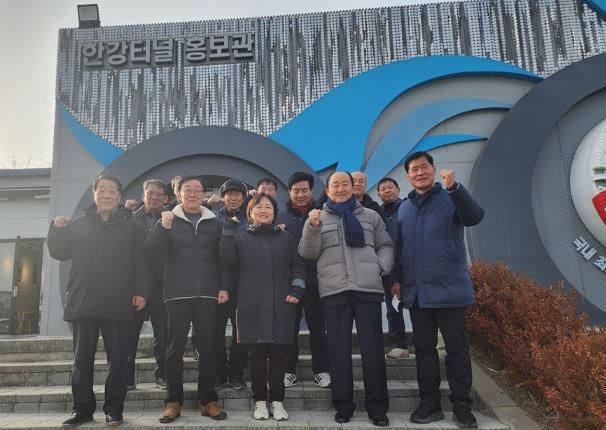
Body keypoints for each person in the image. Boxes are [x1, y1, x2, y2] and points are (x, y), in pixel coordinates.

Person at [47, 174, 150, 428]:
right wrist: (56, 230)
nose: (106, 194)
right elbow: (60, 252)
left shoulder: (132, 225)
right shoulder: (78, 224)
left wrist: (141, 291)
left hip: (119, 299)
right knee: (82, 359)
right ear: (94, 194)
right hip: (84, 299)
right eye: (101, 190)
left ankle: (114, 409)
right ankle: (82, 409)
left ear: (119, 196)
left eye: (111, 190)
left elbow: (141, 261)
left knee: (118, 359)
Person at [391, 151, 484, 428]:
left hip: (449, 291)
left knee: (456, 350)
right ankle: (429, 403)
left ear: (433, 170)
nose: (419, 172)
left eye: (424, 167)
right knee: (424, 350)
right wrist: (397, 280)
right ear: (408, 176)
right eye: (414, 169)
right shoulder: (404, 208)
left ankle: (462, 406)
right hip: (417, 294)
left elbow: (474, 217)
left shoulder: (451, 197)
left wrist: (454, 187)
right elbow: (399, 248)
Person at [299, 171, 393, 427]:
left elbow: (386, 245)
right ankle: (343, 405)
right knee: (338, 350)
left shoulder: (371, 216)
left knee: (373, 351)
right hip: (334, 290)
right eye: (335, 185)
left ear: (353, 188)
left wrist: (380, 267)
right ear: (327, 190)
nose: (340, 189)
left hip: (367, 289)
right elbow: (307, 253)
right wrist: (312, 227)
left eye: (345, 184)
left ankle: (377, 407)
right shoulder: (318, 217)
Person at [145, 176, 230, 424]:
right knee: (174, 350)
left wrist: (224, 287)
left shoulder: (215, 222)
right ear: (178, 194)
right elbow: (152, 251)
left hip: (208, 294)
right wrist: (163, 227)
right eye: (187, 190)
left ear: (204, 194)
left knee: (208, 349)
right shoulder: (168, 219)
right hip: (176, 294)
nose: (192, 194)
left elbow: (223, 259)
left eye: (197, 190)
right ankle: (173, 401)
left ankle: (208, 400)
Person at [221, 193, 305, 421]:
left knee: (279, 355)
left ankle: (277, 402)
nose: (264, 210)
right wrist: (228, 231)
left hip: (282, 303)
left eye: (268, 207)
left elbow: (297, 264)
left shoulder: (286, 237)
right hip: (252, 303)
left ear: (275, 212)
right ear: (250, 213)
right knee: (256, 357)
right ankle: (259, 401)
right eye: (258, 207)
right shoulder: (241, 238)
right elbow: (226, 260)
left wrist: (297, 289)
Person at [275, 171, 330, 389]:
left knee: (318, 327)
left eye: (304, 190)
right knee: (289, 329)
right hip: (290, 283)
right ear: (289, 191)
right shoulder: (280, 216)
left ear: (311, 190)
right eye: (296, 190)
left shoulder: (323, 213)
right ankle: (288, 370)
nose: (300, 195)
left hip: (316, 280)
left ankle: (321, 370)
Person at [126, 179, 169, 390]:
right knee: (130, 332)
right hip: (136, 286)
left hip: (163, 284)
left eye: (158, 194)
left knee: (164, 333)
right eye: (149, 193)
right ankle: (127, 377)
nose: (153, 198)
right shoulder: (131, 220)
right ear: (143, 196)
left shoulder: (171, 219)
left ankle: (162, 375)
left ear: (166, 198)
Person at [212, 179, 249, 390]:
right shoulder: (213, 219)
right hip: (217, 284)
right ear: (223, 197)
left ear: (243, 198)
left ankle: (237, 373)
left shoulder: (250, 218)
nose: (233, 198)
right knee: (215, 331)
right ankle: (218, 372)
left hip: (243, 283)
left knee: (240, 331)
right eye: (229, 194)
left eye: (237, 194)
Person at [376, 177, 410, 359]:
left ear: (398, 190)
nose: (387, 191)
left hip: (409, 266)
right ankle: (399, 344)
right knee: (393, 308)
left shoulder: (408, 208)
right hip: (389, 267)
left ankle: (424, 341)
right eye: (383, 189)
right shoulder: (377, 214)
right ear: (378, 194)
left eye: (390, 187)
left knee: (417, 306)